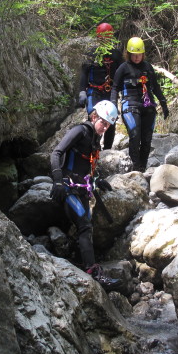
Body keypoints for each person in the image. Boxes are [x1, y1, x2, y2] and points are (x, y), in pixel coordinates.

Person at [49, 100, 123, 291]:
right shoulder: (80, 131)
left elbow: (88, 167)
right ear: (94, 116)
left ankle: (78, 261)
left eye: (108, 125)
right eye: (103, 123)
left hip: (82, 189)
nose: (105, 128)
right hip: (67, 188)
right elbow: (56, 153)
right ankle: (93, 272)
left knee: (87, 227)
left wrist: (98, 180)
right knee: (84, 225)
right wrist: (58, 181)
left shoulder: (94, 138)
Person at [110, 37, 169, 172]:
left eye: (139, 55)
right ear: (129, 54)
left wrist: (163, 103)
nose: (137, 58)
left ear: (143, 54)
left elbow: (155, 87)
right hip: (129, 105)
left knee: (146, 139)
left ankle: (142, 167)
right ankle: (135, 166)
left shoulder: (148, 67)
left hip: (147, 106)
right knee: (135, 135)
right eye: (134, 55)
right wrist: (114, 104)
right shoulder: (123, 68)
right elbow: (114, 88)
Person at [77, 23, 123, 150]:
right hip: (94, 91)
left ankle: (107, 150)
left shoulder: (116, 55)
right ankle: (91, 148)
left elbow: (122, 74)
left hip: (110, 92)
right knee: (94, 118)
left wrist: (124, 93)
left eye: (107, 37)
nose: (105, 40)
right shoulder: (91, 54)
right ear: (98, 38)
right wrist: (82, 91)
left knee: (110, 121)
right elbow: (84, 73)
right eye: (103, 37)